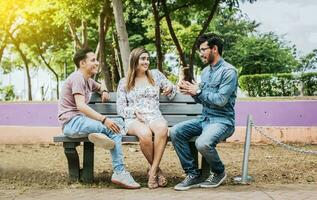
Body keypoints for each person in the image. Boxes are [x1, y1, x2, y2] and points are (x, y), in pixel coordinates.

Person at [58, 47, 140, 189]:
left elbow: (99, 86)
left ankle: (98, 135)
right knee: (114, 128)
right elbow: (81, 106)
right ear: (82, 63)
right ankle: (119, 172)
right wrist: (104, 120)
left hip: (80, 122)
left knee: (118, 123)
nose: (97, 63)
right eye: (93, 60)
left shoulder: (87, 80)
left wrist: (104, 90)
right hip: (73, 123)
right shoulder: (77, 78)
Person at [170, 33, 238, 191]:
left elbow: (221, 100)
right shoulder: (206, 71)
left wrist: (198, 92)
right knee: (176, 132)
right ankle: (193, 174)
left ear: (214, 49)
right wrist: (192, 93)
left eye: (203, 49)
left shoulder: (229, 71)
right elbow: (203, 99)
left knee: (202, 143)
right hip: (205, 119)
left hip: (223, 121)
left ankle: (219, 172)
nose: (200, 53)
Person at [116, 47, 176, 189]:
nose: (146, 62)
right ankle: (158, 171)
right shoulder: (124, 82)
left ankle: (153, 170)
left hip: (154, 115)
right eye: (143, 59)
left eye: (147, 59)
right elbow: (121, 108)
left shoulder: (155, 75)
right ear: (134, 60)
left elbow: (171, 88)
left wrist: (169, 88)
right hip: (134, 119)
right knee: (145, 134)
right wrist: (133, 111)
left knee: (162, 128)